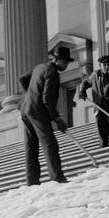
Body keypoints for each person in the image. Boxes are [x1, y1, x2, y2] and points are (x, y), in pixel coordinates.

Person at [18, 44, 72, 186]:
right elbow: (47, 99)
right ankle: (57, 177)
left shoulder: (39, 67)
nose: (66, 66)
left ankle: (32, 180)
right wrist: (57, 118)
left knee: (31, 146)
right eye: (64, 62)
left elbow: (22, 79)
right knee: (50, 144)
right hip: (37, 112)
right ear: (57, 60)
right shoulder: (52, 73)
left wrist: (30, 95)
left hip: (26, 109)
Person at [78, 55, 109, 147]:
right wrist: (82, 91)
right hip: (100, 110)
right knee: (103, 137)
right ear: (100, 65)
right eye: (104, 65)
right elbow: (85, 83)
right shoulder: (95, 75)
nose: (107, 67)